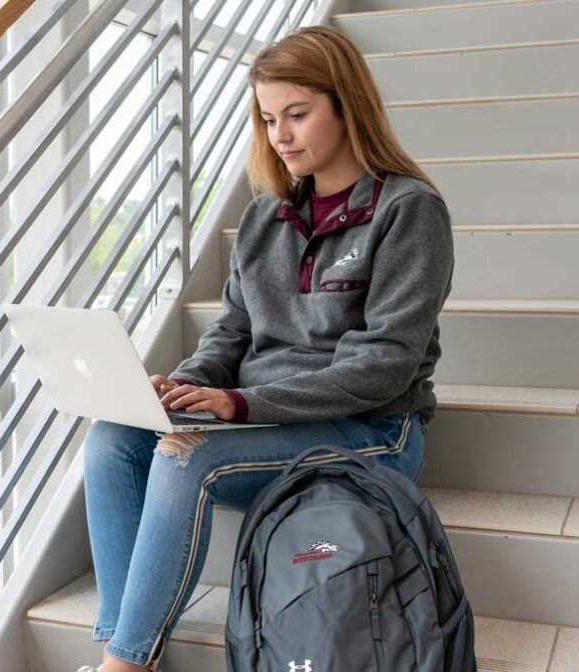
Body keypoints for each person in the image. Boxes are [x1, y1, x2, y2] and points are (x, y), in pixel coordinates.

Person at [78, 24, 454, 672]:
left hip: (371, 429)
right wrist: (185, 385)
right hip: (261, 416)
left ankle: (124, 667)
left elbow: (384, 366)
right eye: (268, 117)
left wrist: (241, 403)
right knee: (114, 438)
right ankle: (128, 636)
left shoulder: (408, 209)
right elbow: (231, 332)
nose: (280, 134)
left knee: (181, 460)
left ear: (347, 104)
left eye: (298, 115)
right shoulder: (263, 217)